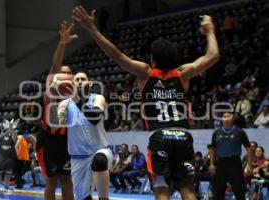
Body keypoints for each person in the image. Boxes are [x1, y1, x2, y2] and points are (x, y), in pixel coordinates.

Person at [73, 6, 219, 200]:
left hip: (160, 136)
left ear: (153, 57)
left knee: (161, 190)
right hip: (183, 136)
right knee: (188, 190)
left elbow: (117, 55)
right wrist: (210, 31)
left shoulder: (146, 73)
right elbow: (213, 56)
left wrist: (92, 29)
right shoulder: (183, 74)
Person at [36, 21, 76, 200]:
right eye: (62, 73)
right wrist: (62, 44)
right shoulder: (50, 94)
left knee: (67, 181)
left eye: (68, 74)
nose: (64, 75)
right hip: (48, 142)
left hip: (66, 141)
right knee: (51, 182)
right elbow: (54, 68)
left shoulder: (75, 96)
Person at [58, 71, 113, 200]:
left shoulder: (98, 98)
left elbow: (94, 118)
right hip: (78, 158)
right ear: (72, 84)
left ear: (90, 83)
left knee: (99, 160)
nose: (80, 81)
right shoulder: (65, 104)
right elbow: (60, 126)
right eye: (77, 79)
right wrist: (61, 111)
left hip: (100, 150)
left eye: (83, 79)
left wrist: (76, 99)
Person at [209, 111, 253, 200]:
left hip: (235, 163)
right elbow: (212, 149)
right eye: (224, 116)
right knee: (218, 192)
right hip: (220, 164)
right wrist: (211, 164)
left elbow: (249, 149)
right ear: (222, 119)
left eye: (228, 116)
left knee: (239, 191)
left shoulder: (240, 132)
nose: (226, 118)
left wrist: (249, 165)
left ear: (233, 119)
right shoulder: (216, 132)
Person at [0, 119, 19, 192]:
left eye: (8, 129)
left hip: (10, 159)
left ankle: (6, 186)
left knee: (8, 174)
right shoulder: (2, 137)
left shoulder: (13, 137)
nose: (7, 130)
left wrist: (11, 128)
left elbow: (15, 138)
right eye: (7, 129)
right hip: (1, 158)